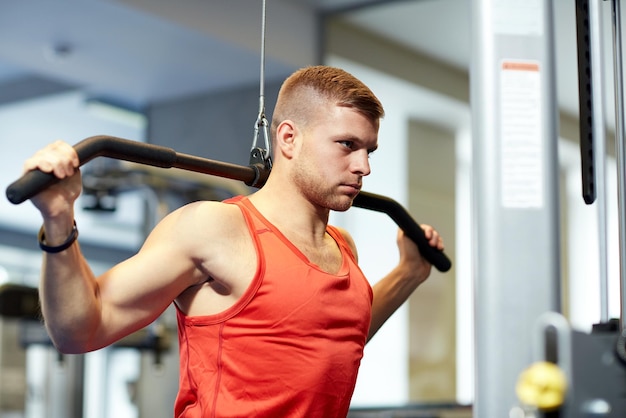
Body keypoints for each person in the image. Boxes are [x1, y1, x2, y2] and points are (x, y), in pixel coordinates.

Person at [22, 65, 444, 418]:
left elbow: (333, 338)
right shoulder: (215, 229)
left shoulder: (342, 246)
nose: (363, 167)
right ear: (288, 138)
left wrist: (408, 274)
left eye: (369, 150)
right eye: (347, 145)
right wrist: (59, 221)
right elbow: (80, 330)